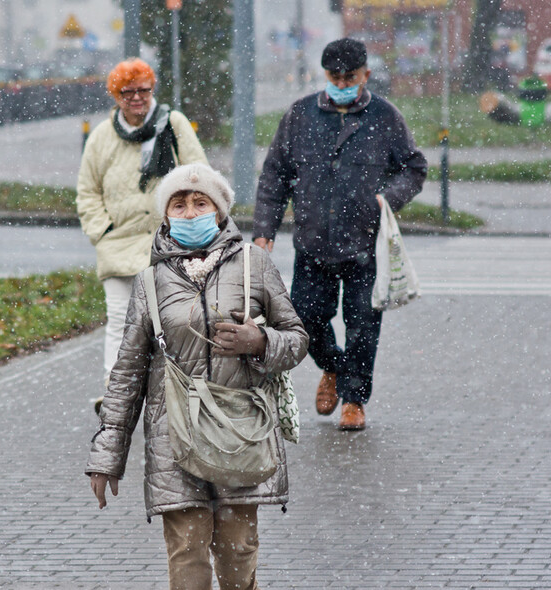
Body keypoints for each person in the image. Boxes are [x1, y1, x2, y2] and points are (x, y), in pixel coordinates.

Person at [85, 163, 308, 590]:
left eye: (200, 202)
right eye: (179, 204)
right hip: (174, 439)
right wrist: (106, 457)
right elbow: (127, 374)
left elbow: (297, 339)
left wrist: (259, 341)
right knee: (187, 556)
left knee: (238, 553)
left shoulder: (254, 265)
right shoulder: (149, 281)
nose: (190, 212)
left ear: (220, 212)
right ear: (166, 215)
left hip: (240, 434)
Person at [253, 37, 427, 431]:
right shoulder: (300, 115)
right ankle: (333, 367)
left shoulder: (385, 117)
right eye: (336, 76)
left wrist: (387, 199)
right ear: (325, 74)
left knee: (363, 323)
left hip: (364, 241)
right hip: (313, 241)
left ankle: (354, 399)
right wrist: (265, 229)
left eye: (351, 76)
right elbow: (275, 175)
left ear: (366, 74)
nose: (343, 83)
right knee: (303, 319)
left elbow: (414, 168)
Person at [76, 58, 207, 389]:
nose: (136, 98)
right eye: (127, 92)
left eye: (143, 90)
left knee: (177, 321)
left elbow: (200, 175)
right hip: (119, 244)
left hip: (172, 244)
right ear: (115, 95)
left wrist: (193, 222)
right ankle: (115, 391)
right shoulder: (102, 137)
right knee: (121, 320)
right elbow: (87, 191)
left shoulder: (172, 124)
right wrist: (102, 232)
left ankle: (181, 389)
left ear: (153, 90)